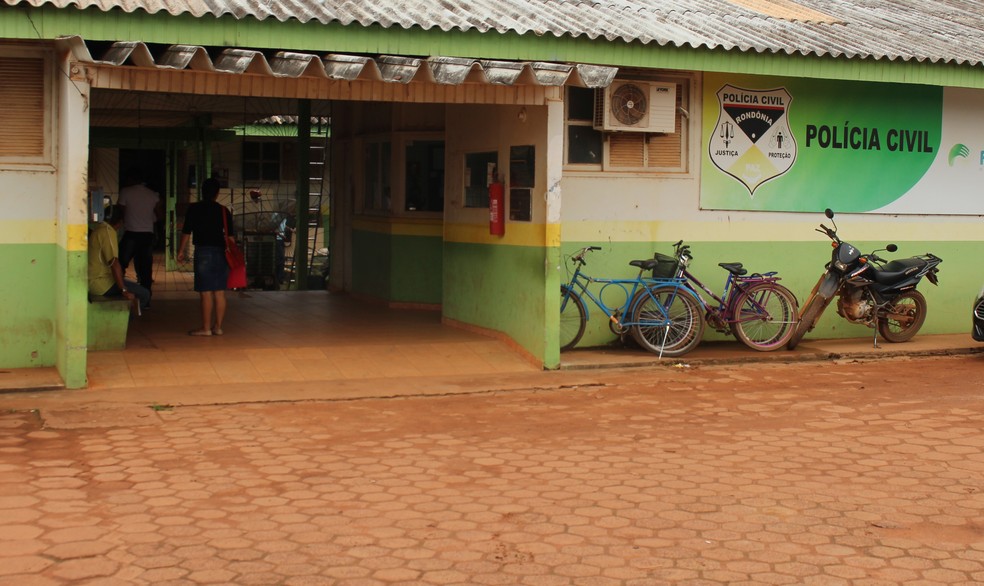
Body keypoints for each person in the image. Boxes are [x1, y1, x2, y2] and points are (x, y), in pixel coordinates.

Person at [177, 177, 233, 336]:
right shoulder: (224, 211)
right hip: (222, 253)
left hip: (203, 252)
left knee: (206, 292)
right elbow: (231, 238)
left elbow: (186, 231)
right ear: (217, 193)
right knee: (220, 292)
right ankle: (218, 327)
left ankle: (206, 328)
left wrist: (181, 251)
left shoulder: (194, 208)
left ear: (202, 192)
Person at [88, 206, 151, 311]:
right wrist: (124, 290)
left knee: (131, 285)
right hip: (100, 284)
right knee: (144, 294)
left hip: (97, 280)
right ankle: (125, 321)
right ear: (120, 222)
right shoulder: (108, 232)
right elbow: (114, 263)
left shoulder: (99, 229)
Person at [118, 168, 162, 305]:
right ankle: (146, 300)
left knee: (121, 264)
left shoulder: (125, 192)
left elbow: (122, 211)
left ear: (131, 179)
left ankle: (120, 291)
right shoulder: (153, 195)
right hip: (147, 235)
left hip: (131, 233)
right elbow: (159, 215)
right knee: (145, 268)